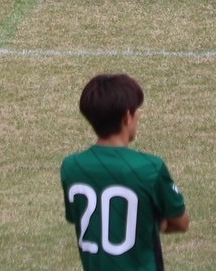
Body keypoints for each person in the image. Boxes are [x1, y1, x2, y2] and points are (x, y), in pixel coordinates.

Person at [61, 74, 190, 268]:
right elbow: (181, 222)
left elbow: (80, 216)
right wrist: (158, 222)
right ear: (128, 116)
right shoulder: (149, 168)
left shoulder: (72, 167)